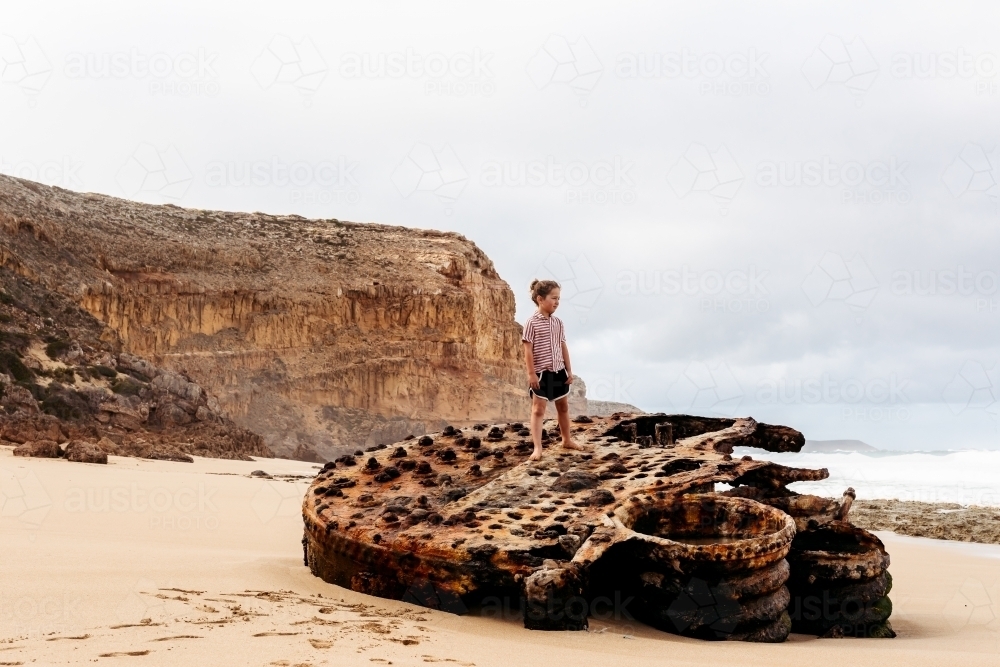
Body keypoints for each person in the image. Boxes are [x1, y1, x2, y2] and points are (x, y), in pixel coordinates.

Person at [522, 279, 585, 461]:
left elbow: (563, 346)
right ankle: (537, 448)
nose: (557, 302)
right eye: (554, 298)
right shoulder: (531, 323)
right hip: (541, 373)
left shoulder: (558, 323)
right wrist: (531, 373)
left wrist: (569, 370)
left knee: (563, 407)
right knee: (538, 410)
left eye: (559, 298)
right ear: (540, 299)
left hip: (559, 371)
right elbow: (528, 350)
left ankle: (567, 440)